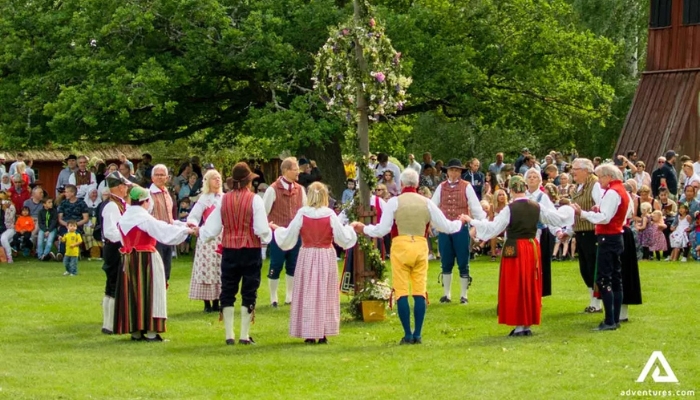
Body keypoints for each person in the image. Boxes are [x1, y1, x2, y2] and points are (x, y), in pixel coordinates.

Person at [351, 169, 467, 344]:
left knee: (402, 291)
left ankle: (407, 334)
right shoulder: (427, 203)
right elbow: (447, 227)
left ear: (402, 184)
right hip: (420, 245)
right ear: (417, 184)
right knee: (419, 291)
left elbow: (382, 230)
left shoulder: (394, 202)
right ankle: (418, 333)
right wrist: (461, 221)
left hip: (401, 246)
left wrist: (363, 228)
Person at [465, 176, 573, 336]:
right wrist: (570, 210)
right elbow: (556, 218)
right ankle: (526, 323)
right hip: (531, 247)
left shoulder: (510, 208)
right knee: (529, 283)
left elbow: (494, 228)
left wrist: (472, 221)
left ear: (512, 190)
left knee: (515, 284)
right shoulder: (537, 206)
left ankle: (519, 324)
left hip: (514, 248)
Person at [271, 182, 357, 344]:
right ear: (325, 196)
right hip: (325, 254)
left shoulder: (303, 213)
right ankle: (323, 331)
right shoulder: (329, 214)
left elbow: (289, 235)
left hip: (308, 254)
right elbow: (342, 238)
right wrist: (351, 228)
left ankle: (309, 332)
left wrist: (277, 229)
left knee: (308, 292)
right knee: (325, 292)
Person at [200, 162, 272, 345]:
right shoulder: (255, 200)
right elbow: (261, 229)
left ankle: (229, 335)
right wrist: (268, 235)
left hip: (229, 250)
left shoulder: (223, 200)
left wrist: (201, 234)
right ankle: (244, 335)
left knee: (228, 290)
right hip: (250, 249)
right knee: (249, 291)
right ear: (248, 182)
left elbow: (212, 228)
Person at [114, 186, 195, 342]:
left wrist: (182, 226)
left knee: (133, 292)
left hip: (128, 259)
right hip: (146, 258)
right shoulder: (144, 218)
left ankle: (136, 331)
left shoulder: (124, 218)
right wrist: (186, 232)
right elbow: (163, 231)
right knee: (152, 291)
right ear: (145, 201)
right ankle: (152, 332)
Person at [572, 164, 630, 331]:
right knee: (615, 279)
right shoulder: (620, 190)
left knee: (604, 278)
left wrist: (583, 213)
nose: (599, 181)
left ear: (607, 176)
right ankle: (615, 317)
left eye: (600, 177)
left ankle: (609, 319)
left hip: (608, 236)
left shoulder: (612, 192)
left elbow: (604, 218)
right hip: (616, 236)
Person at [431, 159, 486, 304]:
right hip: (444, 228)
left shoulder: (466, 186)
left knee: (463, 260)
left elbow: (475, 207)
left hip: (461, 228)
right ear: (447, 172)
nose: (454, 173)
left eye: (457, 170)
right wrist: (432, 223)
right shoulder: (441, 187)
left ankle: (464, 295)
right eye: (452, 170)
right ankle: (446, 294)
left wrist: (482, 224)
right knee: (446, 261)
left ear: (460, 172)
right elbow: (432, 206)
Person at [262, 157, 307, 307]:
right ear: (286, 171)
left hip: (295, 234)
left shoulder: (300, 190)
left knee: (293, 264)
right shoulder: (272, 189)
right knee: (276, 264)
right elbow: (264, 213)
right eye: (295, 169)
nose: (298, 172)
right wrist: (269, 227)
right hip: (278, 234)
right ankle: (273, 297)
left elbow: (305, 210)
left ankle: (290, 296)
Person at [187, 169, 224, 313]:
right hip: (207, 238)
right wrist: (194, 226)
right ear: (208, 181)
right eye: (214, 178)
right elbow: (194, 216)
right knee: (206, 269)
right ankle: (207, 303)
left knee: (219, 268)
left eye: (219, 178)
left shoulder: (224, 197)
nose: (217, 180)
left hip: (221, 237)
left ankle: (217, 301)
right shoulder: (204, 198)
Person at [99, 171, 131, 335]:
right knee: (112, 284)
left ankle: (113, 322)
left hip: (117, 247)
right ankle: (108, 324)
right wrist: (128, 237)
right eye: (125, 186)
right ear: (119, 187)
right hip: (114, 247)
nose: (127, 189)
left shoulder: (119, 204)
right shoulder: (112, 206)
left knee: (115, 284)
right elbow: (110, 232)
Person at [570, 158, 603, 313]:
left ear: (585, 170)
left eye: (575, 169)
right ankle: (593, 300)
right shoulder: (579, 186)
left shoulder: (595, 184)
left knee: (593, 267)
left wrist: (583, 214)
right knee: (585, 269)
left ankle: (597, 302)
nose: (572, 172)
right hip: (581, 232)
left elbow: (600, 209)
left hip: (592, 232)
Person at [149, 164, 184, 282]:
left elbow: (169, 217)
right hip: (155, 237)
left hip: (167, 235)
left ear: (167, 178)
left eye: (162, 175)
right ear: (152, 177)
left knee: (166, 270)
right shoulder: (149, 194)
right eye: (157, 175)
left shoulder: (167, 193)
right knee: (157, 271)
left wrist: (182, 225)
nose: (159, 177)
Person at [56, 185, 88, 262]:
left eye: (67, 192)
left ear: (72, 193)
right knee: (64, 235)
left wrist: (74, 225)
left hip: (77, 226)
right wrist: (67, 225)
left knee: (72, 235)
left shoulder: (81, 203)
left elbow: (85, 219)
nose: (65, 194)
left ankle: (66, 255)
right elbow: (60, 219)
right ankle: (62, 254)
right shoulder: (63, 203)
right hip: (65, 225)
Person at [0, 197, 16, 263]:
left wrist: (6, 209)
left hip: (10, 229)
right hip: (1, 229)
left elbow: (11, 218)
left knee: (3, 238)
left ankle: (9, 257)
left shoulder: (11, 208)